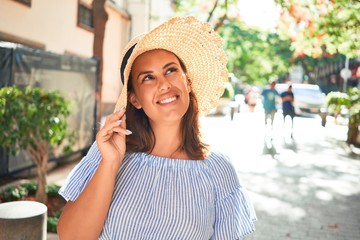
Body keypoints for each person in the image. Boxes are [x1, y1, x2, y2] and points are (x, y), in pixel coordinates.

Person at [57, 16, 257, 239]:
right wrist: (110, 164)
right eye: (148, 78)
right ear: (135, 100)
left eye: (170, 71)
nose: (164, 85)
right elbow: (72, 236)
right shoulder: (109, 152)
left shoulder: (218, 170)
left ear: (187, 83)